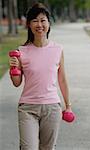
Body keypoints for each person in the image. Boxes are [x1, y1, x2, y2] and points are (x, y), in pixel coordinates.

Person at [9, 2, 72, 150]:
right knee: (28, 148)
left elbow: (62, 79)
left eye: (43, 20)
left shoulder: (58, 49)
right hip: (27, 108)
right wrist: (13, 68)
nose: (39, 24)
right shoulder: (22, 51)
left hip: (52, 108)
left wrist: (68, 106)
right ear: (29, 25)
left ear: (49, 24)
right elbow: (17, 83)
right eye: (35, 20)